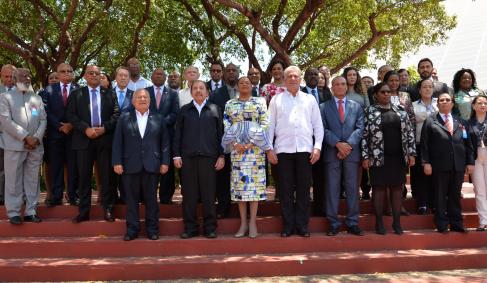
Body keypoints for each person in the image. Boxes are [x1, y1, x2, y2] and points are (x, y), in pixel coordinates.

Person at [267, 66, 324, 237]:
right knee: (285, 190)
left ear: (301, 79)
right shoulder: (276, 100)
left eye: (295, 76)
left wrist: (317, 147)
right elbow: (269, 126)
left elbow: (318, 126)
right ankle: (288, 226)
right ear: (284, 80)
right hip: (283, 151)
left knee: (304, 190)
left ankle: (302, 226)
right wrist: (269, 149)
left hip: (305, 151)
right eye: (289, 76)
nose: (292, 78)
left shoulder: (309, 100)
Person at [112, 89, 170, 241]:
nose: (143, 99)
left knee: (151, 200)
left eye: (145, 97)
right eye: (139, 97)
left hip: (152, 164)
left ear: (150, 100)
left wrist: (165, 162)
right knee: (131, 200)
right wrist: (117, 162)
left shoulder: (159, 118)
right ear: (133, 101)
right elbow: (118, 141)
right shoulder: (124, 118)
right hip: (130, 165)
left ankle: (152, 230)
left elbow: (165, 142)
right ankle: (132, 230)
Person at [67, 65, 120, 223]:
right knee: (83, 177)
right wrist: (85, 129)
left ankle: (108, 209)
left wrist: (104, 128)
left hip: (104, 140)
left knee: (107, 178)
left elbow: (117, 114)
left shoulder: (110, 94)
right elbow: (70, 114)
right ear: (84, 76)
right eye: (91, 73)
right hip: (84, 140)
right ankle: (84, 211)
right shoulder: (77, 94)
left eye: (97, 73)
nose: (94, 75)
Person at [362, 83, 416, 235]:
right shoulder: (369, 111)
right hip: (377, 157)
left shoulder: (400, 110)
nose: (387, 94)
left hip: (398, 158)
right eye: (383, 92)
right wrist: (365, 156)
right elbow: (365, 136)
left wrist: (412, 153)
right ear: (376, 95)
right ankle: (379, 222)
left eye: (388, 92)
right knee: (378, 188)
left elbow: (409, 132)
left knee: (397, 188)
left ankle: (397, 223)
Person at [173, 80, 225, 239]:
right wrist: (176, 155)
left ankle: (210, 227)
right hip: (188, 158)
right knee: (189, 195)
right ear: (191, 92)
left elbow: (221, 135)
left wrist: (222, 156)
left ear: (207, 92)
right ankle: (190, 228)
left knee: (209, 195)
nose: (198, 91)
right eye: (195, 88)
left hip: (209, 159)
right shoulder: (184, 110)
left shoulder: (215, 109)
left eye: (201, 88)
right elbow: (177, 135)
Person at [222, 77, 271, 238]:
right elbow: (226, 124)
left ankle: (253, 223)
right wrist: (235, 143)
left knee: (254, 188)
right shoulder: (230, 104)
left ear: (252, 86)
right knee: (240, 188)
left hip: (255, 151)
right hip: (237, 152)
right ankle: (243, 223)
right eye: (241, 82)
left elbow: (264, 123)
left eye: (247, 83)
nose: (244, 84)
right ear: (237, 86)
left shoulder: (260, 102)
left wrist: (250, 143)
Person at [421, 93, 474, 233]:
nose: (444, 102)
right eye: (441, 100)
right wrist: (426, 162)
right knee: (439, 195)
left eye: (447, 100)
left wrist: (470, 162)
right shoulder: (430, 120)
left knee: (455, 195)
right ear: (437, 104)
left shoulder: (461, 121)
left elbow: (468, 144)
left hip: (458, 164)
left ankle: (457, 223)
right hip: (439, 165)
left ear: (452, 103)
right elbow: (424, 144)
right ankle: (442, 224)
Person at [0, 68, 46, 224]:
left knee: (33, 179)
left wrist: (36, 137)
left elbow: (42, 120)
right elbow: (6, 121)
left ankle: (30, 211)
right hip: (14, 145)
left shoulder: (37, 99)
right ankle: (13, 212)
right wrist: (26, 137)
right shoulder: (5, 98)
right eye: (23, 76)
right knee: (13, 180)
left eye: (28, 76)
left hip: (35, 146)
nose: (27, 78)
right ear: (14, 78)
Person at [321, 76, 365, 236]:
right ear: (332, 87)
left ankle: (352, 222)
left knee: (353, 188)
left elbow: (360, 128)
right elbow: (322, 128)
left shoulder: (357, 106)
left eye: (342, 84)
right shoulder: (323, 107)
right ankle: (333, 223)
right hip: (332, 152)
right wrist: (338, 144)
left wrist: (347, 146)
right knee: (332, 189)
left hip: (351, 153)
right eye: (336, 84)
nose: (340, 86)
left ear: (346, 87)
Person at [40, 63, 80, 207]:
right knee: (56, 166)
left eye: (69, 71)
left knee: (73, 167)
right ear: (57, 73)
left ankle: (73, 195)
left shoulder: (80, 90)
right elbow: (45, 112)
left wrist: (71, 125)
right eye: (62, 71)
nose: (66, 73)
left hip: (74, 134)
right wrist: (59, 126)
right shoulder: (47, 90)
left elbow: (82, 112)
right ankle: (56, 196)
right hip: (55, 134)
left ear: (73, 74)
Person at [209, 63, 240, 218]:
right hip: (224, 142)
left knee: (242, 175)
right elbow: (213, 120)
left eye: (234, 70)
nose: (231, 73)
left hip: (244, 143)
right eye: (228, 71)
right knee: (223, 178)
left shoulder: (247, 91)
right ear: (223, 75)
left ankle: (243, 210)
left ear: (238, 73)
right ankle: (223, 208)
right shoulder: (216, 94)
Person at [146, 68, 179, 204]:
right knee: (149, 165)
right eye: (156, 74)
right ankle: (149, 196)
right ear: (152, 77)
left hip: (167, 135)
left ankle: (166, 197)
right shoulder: (145, 92)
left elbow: (175, 113)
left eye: (162, 74)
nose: (159, 76)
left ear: (165, 78)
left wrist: (161, 122)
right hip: (148, 135)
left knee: (167, 166)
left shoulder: (172, 94)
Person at [301, 67, 331, 216]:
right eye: (310, 74)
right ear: (305, 77)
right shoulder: (299, 93)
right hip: (304, 141)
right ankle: (304, 209)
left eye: (316, 74)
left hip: (322, 141)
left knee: (320, 177)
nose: (313, 77)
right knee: (304, 178)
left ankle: (320, 208)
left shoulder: (326, 93)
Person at [411, 79, 438, 215]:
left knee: (436, 175)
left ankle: (434, 203)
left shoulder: (439, 103)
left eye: (430, 87)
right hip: (419, 143)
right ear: (420, 90)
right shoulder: (413, 105)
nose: (427, 89)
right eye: (424, 87)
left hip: (438, 145)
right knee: (421, 175)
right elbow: (411, 120)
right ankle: (422, 204)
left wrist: (422, 117)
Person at [467, 95, 487, 232]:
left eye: (485, 103)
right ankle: (483, 221)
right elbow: (467, 144)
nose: (483, 105)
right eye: (479, 103)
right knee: (479, 190)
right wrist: (468, 162)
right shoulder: (468, 123)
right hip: (476, 158)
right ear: (473, 106)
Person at [0, 64, 16, 206]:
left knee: (14, 169)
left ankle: (15, 197)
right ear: (1, 77)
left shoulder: (24, 91)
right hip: (1, 134)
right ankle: (1, 197)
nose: (9, 79)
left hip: (17, 137)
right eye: (6, 76)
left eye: (12, 76)